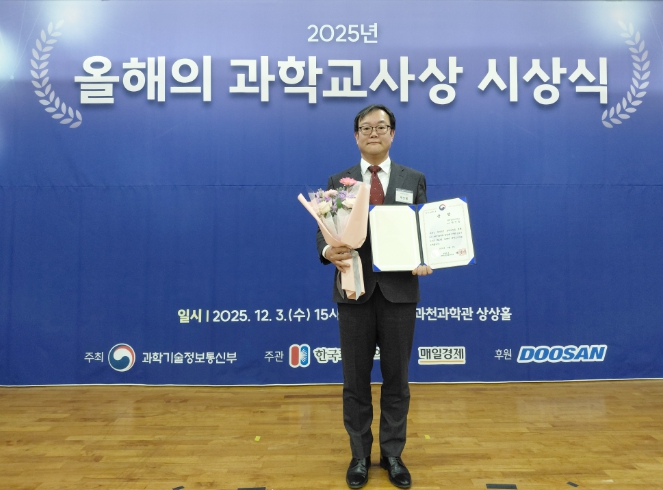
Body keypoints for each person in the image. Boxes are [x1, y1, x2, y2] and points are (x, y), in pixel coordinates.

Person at [316, 104, 433, 489]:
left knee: (397, 379)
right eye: (366, 128)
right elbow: (324, 228)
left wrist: (425, 257)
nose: (373, 133)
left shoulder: (413, 178)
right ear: (356, 136)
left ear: (392, 134)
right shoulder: (339, 180)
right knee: (355, 380)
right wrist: (327, 250)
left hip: (400, 292)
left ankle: (393, 454)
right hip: (355, 291)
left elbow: (423, 229)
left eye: (381, 127)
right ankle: (360, 455)